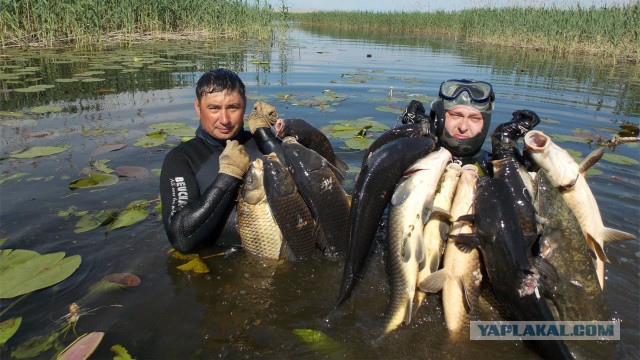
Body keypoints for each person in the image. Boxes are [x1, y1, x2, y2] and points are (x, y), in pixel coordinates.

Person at [159, 68, 280, 253]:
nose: (224, 119)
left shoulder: (262, 142)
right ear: (198, 107)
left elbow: (320, 180)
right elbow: (180, 238)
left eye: (233, 107)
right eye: (214, 108)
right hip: (224, 264)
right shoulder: (181, 158)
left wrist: (284, 134)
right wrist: (228, 176)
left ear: (245, 105)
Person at [402, 79, 540, 171]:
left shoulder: (494, 164)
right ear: (439, 118)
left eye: (474, 118)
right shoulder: (414, 160)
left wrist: (505, 147)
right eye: (456, 115)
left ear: (485, 123)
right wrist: (415, 139)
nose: (463, 127)